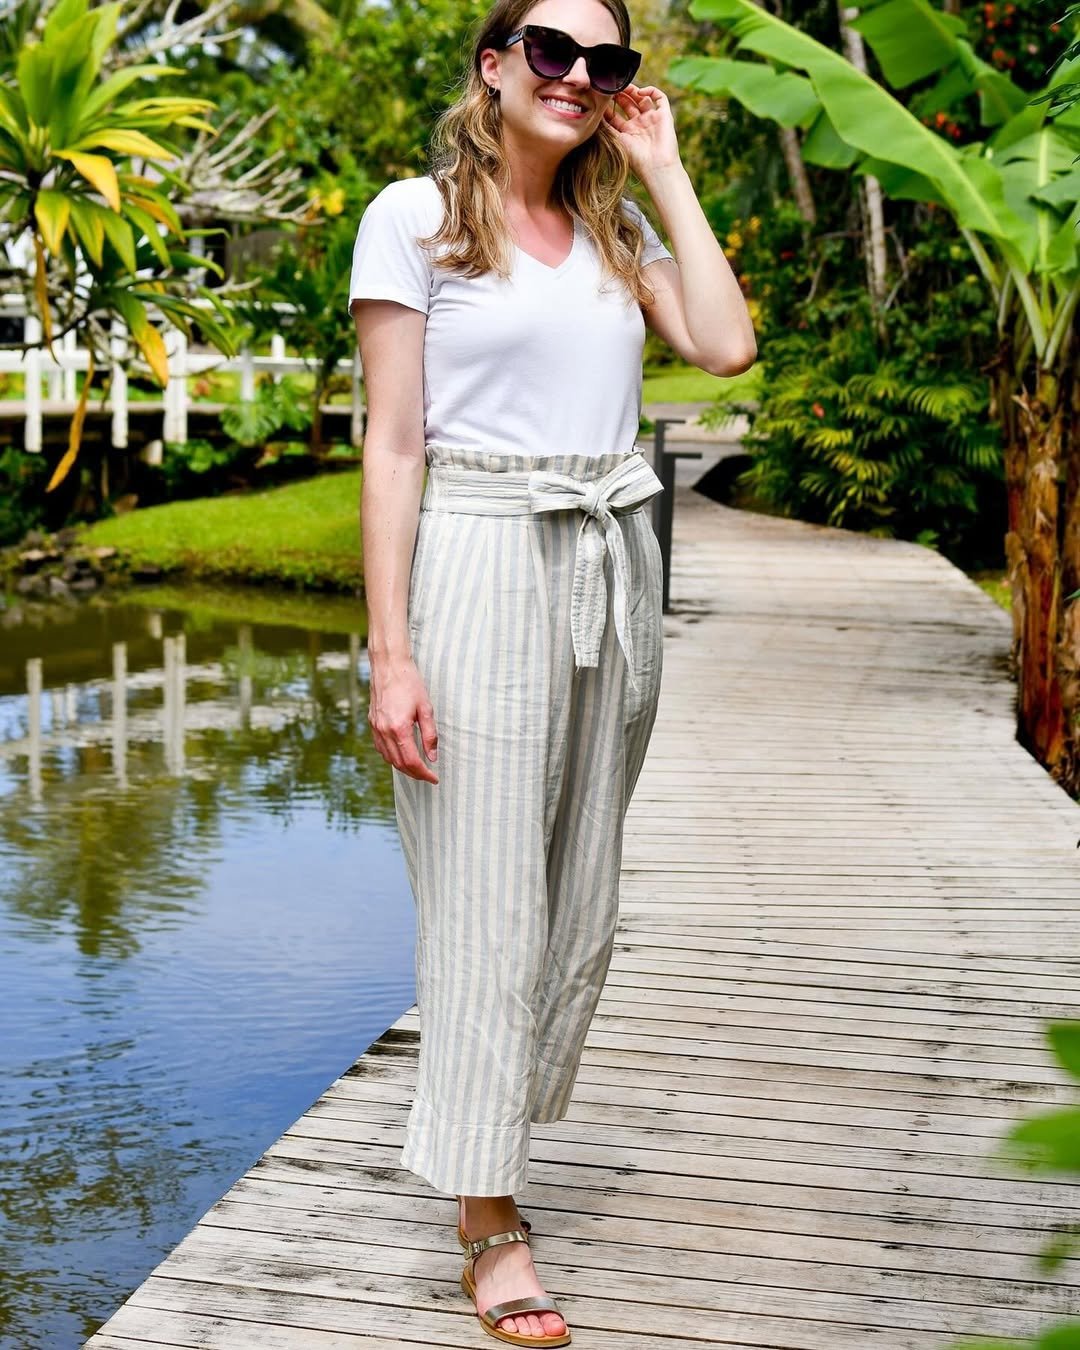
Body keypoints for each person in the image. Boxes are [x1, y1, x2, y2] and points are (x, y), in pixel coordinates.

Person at [348, 0, 755, 1342]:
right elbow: (394, 445)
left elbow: (724, 344)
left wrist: (666, 166)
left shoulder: (611, 234)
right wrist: (392, 651)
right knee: (486, 896)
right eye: (553, 52)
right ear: (493, 64)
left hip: (609, 559)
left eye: (608, 61)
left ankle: (494, 1152)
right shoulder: (412, 217)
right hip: (477, 550)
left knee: (578, 885)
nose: (580, 77)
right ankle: (490, 1218)